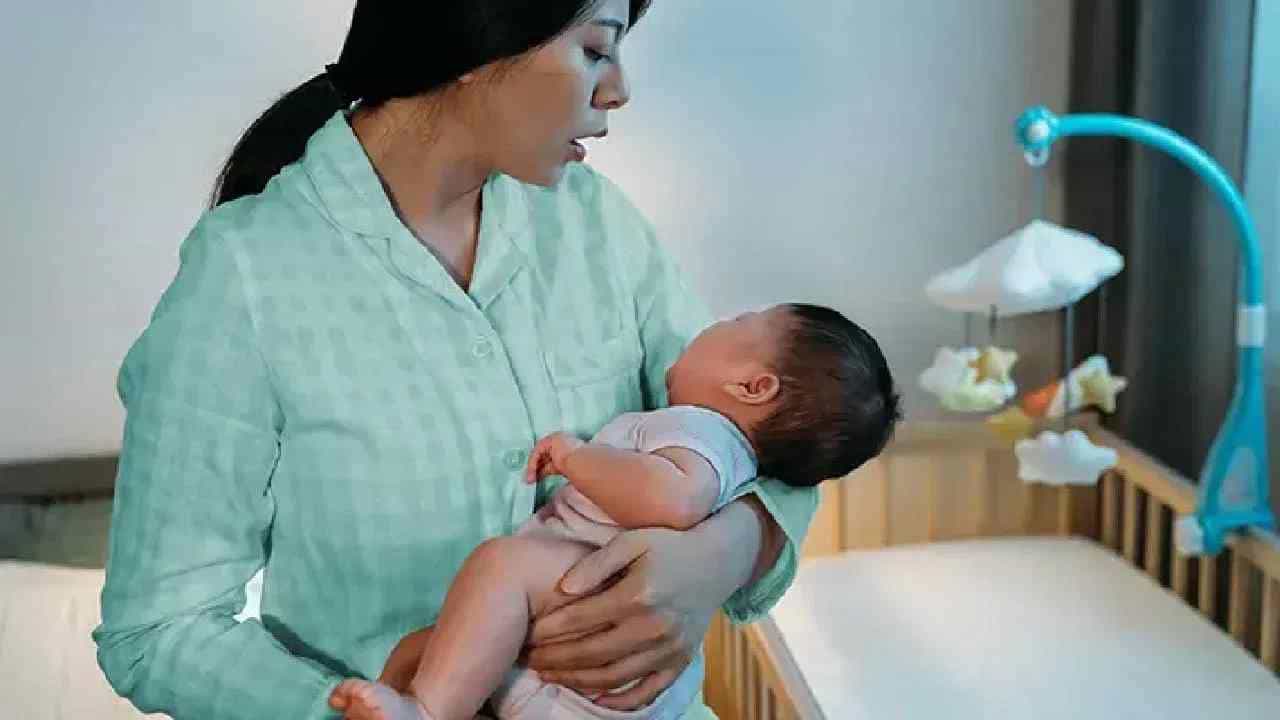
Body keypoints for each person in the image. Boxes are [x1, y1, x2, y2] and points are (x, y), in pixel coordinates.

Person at [93, 2, 822, 718]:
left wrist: (717, 559)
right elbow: (158, 632)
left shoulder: (599, 226)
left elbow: (781, 425)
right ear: (481, 36)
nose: (618, 91)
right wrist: (344, 711)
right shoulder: (246, 273)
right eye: (596, 50)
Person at [328, 304, 901, 719]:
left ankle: (426, 712)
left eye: (735, 322)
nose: (709, 324)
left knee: (501, 565)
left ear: (753, 386)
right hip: (593, 644)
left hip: (593, 595)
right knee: (422, 649)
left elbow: (675, 500)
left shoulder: (703, 434)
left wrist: (577, 457)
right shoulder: (722, 450)